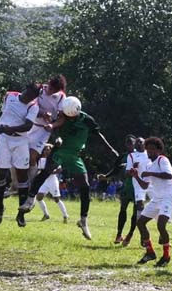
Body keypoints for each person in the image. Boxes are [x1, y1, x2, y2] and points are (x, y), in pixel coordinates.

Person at [20, 96, 119, 240]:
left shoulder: (87, 120)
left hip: (74, 156)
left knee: (85, 186)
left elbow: (98, 135)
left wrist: (110, 149)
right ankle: (30, 199)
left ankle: (83, 220)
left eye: (71, 116)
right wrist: (55, 135)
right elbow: (55, 127)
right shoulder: (62, 115)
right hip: (60, 151)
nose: (69, 118)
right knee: (45, 173)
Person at [132, 137, 172, 266]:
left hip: (169, 196)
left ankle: (166, 256)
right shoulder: (150, 165)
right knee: (140, 222)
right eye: (148, 149)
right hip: (158, 197)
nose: (150, 151)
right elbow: (145, 186)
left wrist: (149, 173)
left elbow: (168, 176)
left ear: (159, 150)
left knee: (161, 224)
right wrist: (136, 176)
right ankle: (150, 252)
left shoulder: (162, 160)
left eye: (153, 149)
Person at [0, 83, 41, 226]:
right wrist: (0, 131)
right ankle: (0, 206)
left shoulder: (33, 107)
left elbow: (28, 126)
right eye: (29, 94)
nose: (29, 98)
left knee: (22, 175)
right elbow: (4, 114)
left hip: (20, 141)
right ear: (25, 90)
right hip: (4, 139)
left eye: (33, 97)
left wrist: (9, 129)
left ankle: (20, 214)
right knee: (0, 173)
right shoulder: (10, 96)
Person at [35, 144, 69, 223]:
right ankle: (46, 215)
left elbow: (59, 169)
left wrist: (50, 172)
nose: (47, 151)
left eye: (48, 149)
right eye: (45, 149)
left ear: (51, 151)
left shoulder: (55, 159)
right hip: (44, 181)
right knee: (39, 197)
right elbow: (39, 170)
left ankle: (65, 215)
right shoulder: (41, 160)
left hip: (53, 181)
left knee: (56, 199)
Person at [114, 135, 139, 246]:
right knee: (122, 210)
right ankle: (119, 234)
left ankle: (130, 234)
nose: (129, 145)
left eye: (131, 143)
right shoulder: (123, 156)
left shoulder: (140, 156)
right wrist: (106, 176)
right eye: (127, 143)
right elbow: (116, 169)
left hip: (137, 188)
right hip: (126, 186)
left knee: (135, 213)